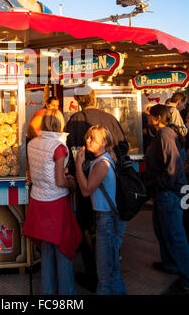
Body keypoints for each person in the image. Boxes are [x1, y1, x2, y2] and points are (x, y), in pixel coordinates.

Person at [65, 88, 129, 291]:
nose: (88, 141)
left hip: (88, 187)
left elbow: (67, 150)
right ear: (94, 99)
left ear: (78, 101)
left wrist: (78, 168)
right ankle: (106, 275)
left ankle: (95, 273)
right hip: (108, 189)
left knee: (86, 227)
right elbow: (124, 147)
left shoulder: (74, 119)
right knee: (105, 238)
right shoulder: (109, 118)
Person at [22, 109, 82, 295]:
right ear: (60, 124)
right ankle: (67, 294)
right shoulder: (59, 147)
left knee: (46, 249)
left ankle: (47, 292)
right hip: (55, 202)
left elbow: (33, 173)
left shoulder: (32, 143)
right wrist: (72, 184)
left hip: (37, 200)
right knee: (62, 249)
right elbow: (59, 180)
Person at [75, 125, 127, 295]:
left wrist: (78, 165)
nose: (88, 141)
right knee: (111, 268)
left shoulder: (102, 164)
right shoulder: (103, 159)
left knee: (105, 270)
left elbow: (86, 190)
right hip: (107, 217)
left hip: (107, 219)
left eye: (93, 138)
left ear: (104, 142)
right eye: (88, 137)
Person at [144, 104, 189, 294]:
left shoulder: (164, 136)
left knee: (174, 234)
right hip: (165, 192)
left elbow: (172, 167)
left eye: (149, 115)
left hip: (169, 194)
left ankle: (187, 277)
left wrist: (161, 184)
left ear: (156, 118)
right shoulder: (165, 134)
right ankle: (170, 263)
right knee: (162, 230)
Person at [166, 92, 188, 164]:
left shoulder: (165, 108)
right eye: (184, 104)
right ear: (178, 102)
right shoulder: (174, 111)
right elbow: (181, 131)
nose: (184, 107)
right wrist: (187, 125)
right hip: (175, 146)